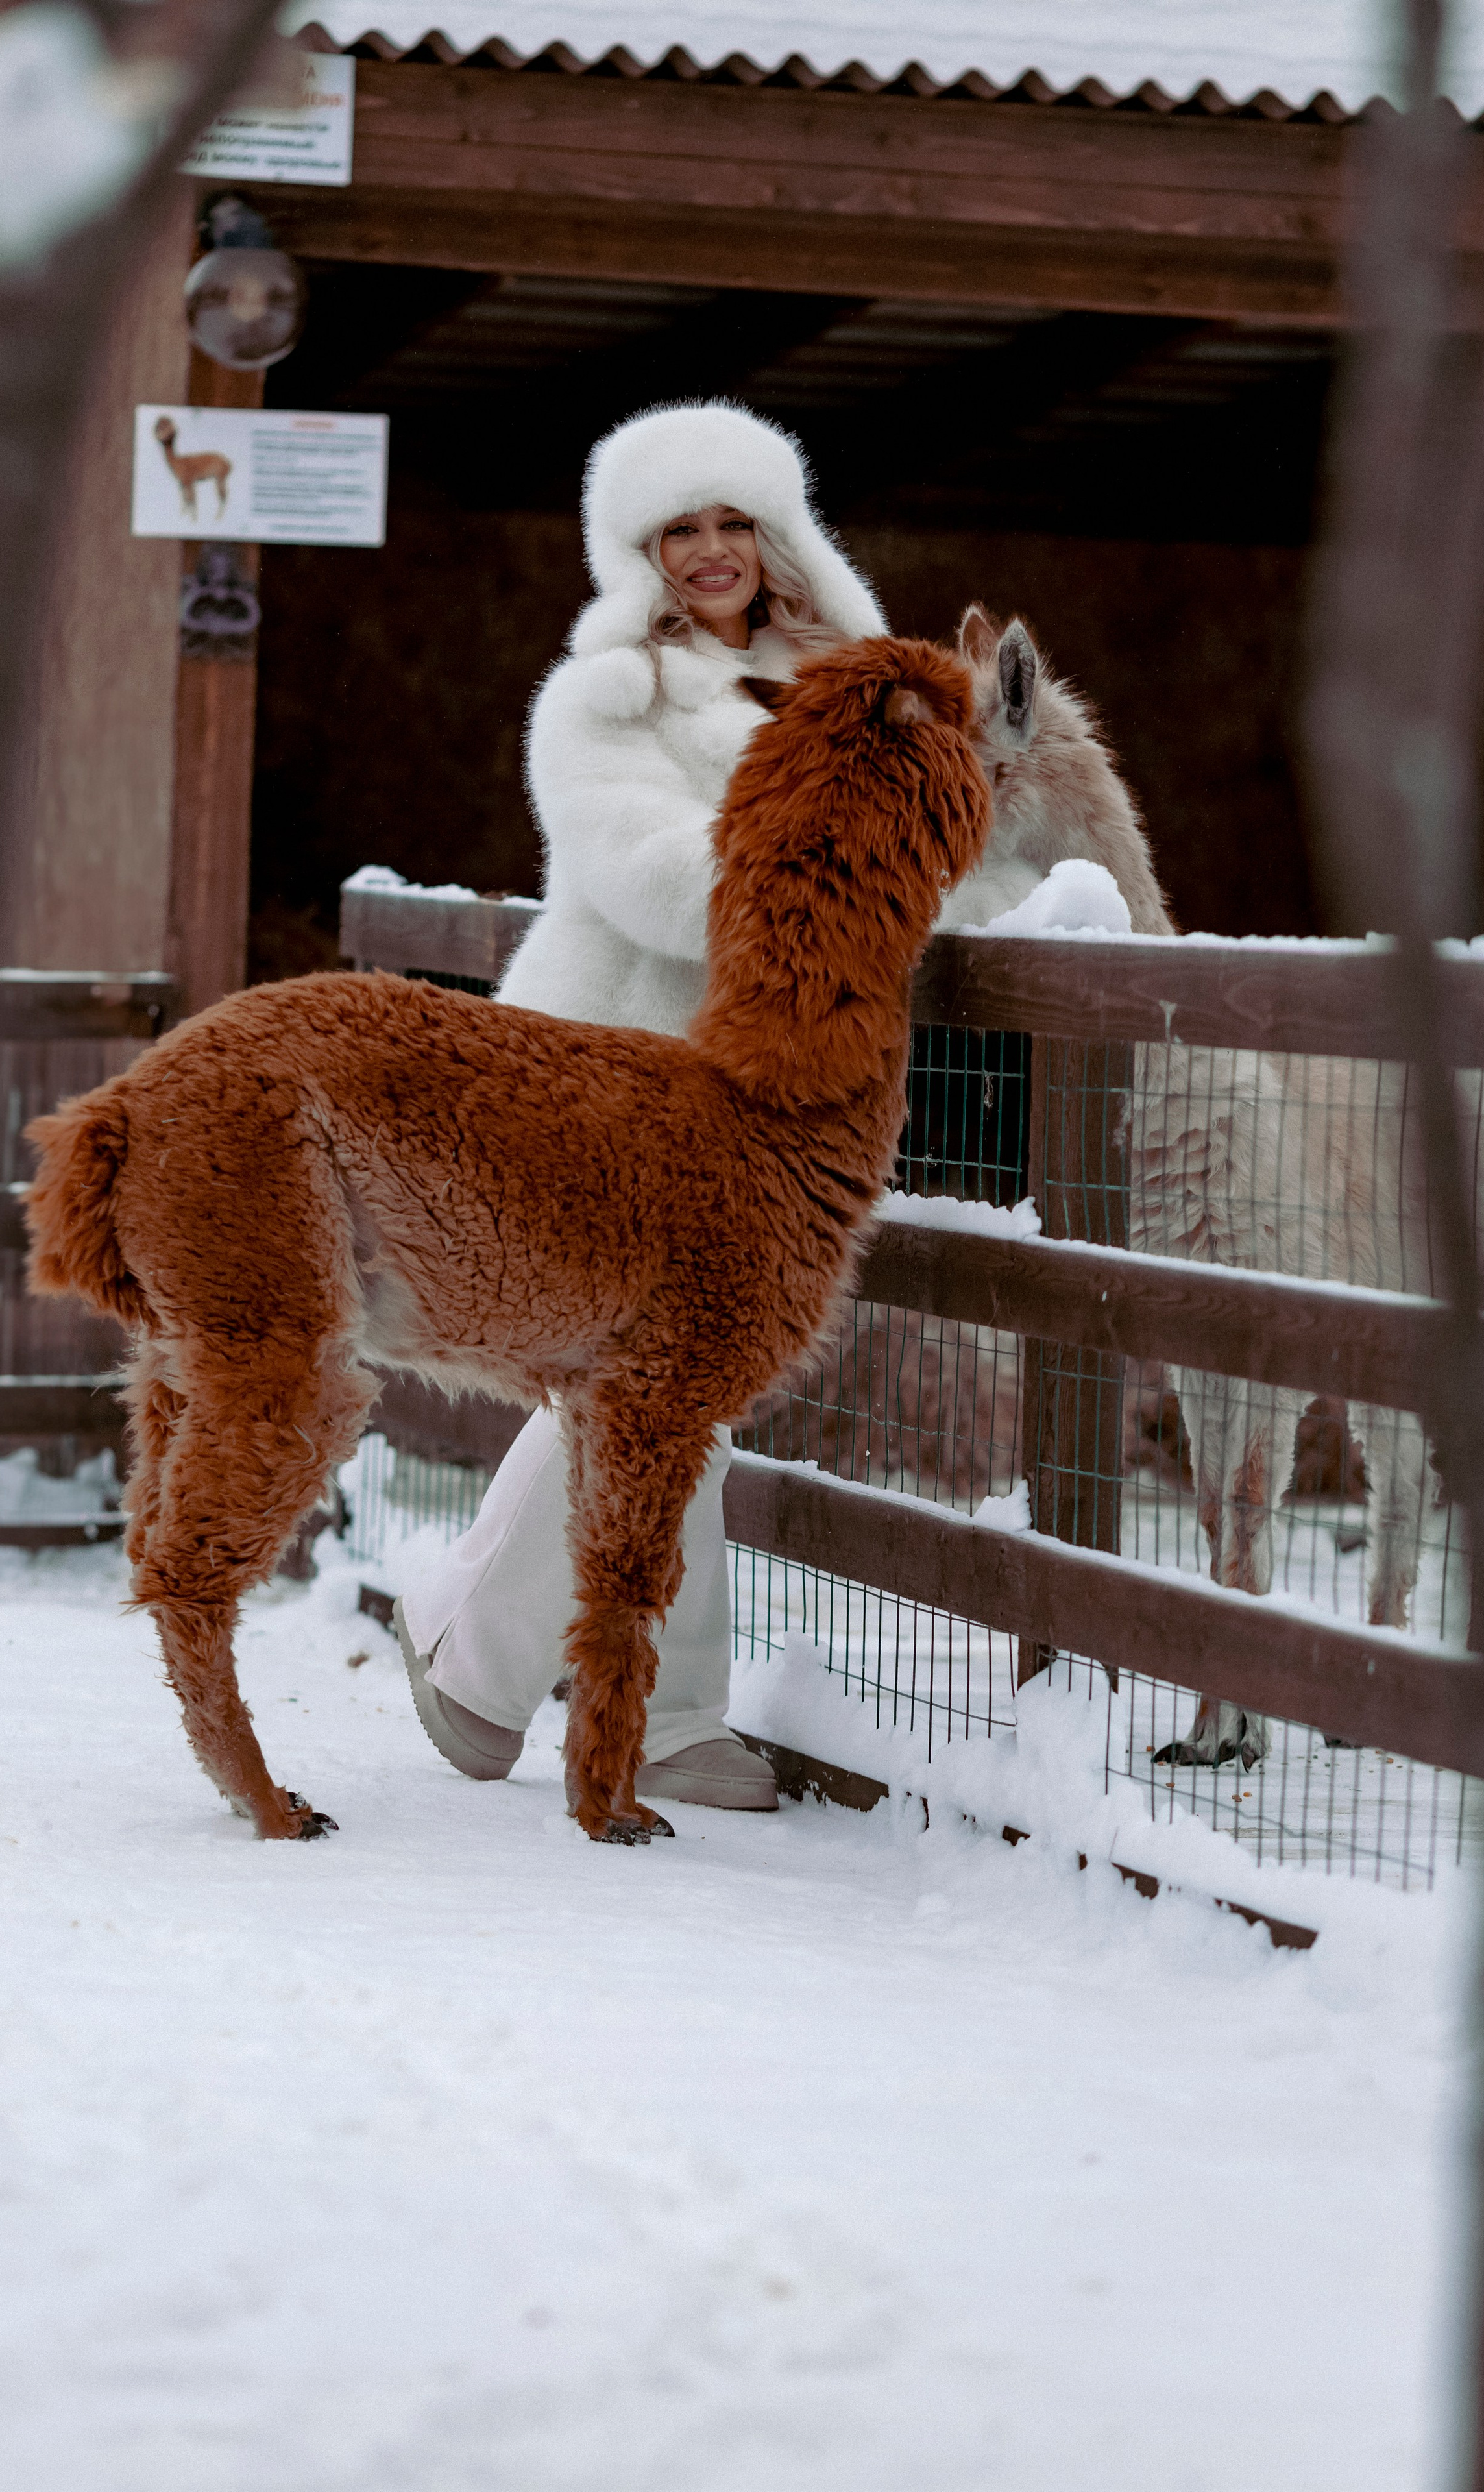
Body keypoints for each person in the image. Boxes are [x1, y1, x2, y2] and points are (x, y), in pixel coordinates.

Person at [396, 399, 885, 1810]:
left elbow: (946, 835)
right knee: (650, 1376)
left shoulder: (843, 684)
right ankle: (526, 1671)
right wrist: (842, 876)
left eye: (736, 520)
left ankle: (615, 1696)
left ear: (777, 533)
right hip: (601, 1072)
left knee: (679, 1382)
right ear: (640, 549)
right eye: (684, 528)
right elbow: (656, 882)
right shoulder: (597, 702)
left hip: (762, 1093)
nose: (714, 550)